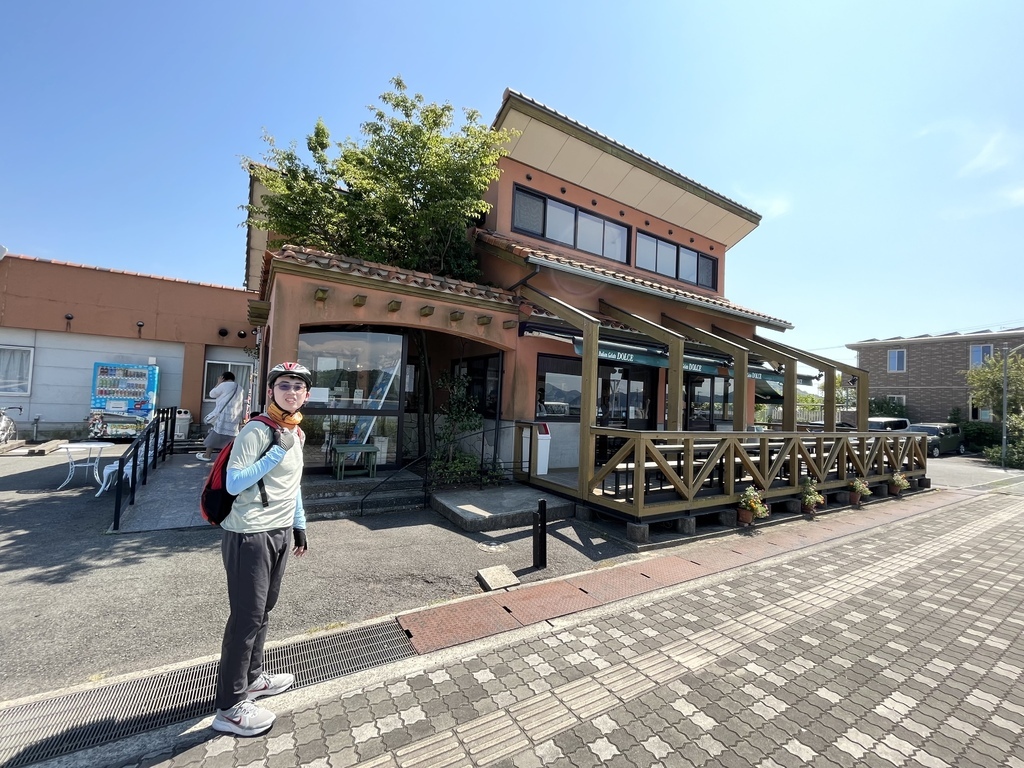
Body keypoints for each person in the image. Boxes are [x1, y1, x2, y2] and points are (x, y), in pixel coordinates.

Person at [211, 362, 311, 737]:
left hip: (280, 532)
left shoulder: (295, 433)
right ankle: (230, 706)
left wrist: (299, 524)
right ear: (271, 391)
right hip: (249, 535)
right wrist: (274, 453)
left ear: (306, 395)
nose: (290, 391)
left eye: (297, 386)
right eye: (283, 385)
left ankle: (252, 680)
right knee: (245, 618)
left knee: (263, 610)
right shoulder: (257, 431)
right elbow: (235, 482)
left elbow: (294, 485)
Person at [196, 372, 244, 462]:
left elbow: (212, 394)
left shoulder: (224, 385)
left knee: (215, 433)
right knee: (232, 437)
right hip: (234, 416)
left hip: (223, 415)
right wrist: (240, 419)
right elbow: (241, 405)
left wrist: (218, 383)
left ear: (223, 377)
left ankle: (207, 455)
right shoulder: (240, 388)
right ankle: (230, 458)